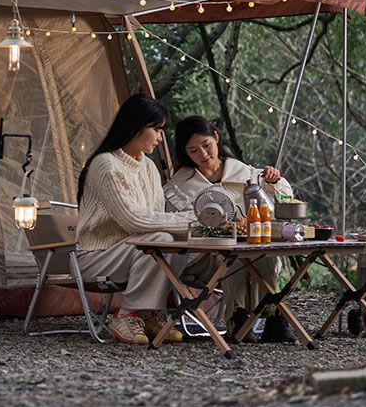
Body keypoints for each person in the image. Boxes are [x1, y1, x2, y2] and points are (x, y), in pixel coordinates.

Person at [76, 94, 197, 345]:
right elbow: (133, 221)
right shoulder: (105, 164)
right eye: (157, 129)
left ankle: (149, 313)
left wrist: (188, 227)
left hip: (132, 251)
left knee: (174, 241)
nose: (160, 136)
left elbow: (155, 217)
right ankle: (126, 314)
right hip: (97, 256)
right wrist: (192, 221)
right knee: (161, 239)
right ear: (136, 126)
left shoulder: (149, 167)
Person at [163, 115, 296, 343]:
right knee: (233, 256)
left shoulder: (246, 174)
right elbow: (174, 224)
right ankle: (238, 317)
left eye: (206, 145)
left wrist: (273, 181)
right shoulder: (180, 187)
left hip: (247, 249)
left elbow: (284, 200)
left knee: (263, 253)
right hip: (204, 256)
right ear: (185, 153)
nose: (203, 154)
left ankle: (273, 316)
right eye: (194, 150)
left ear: (216, 137)